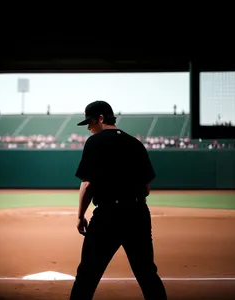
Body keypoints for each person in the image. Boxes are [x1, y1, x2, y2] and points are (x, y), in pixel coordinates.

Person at [69, 100, 167, 300]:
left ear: (102, 119)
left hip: (107, 217)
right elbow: (147, 189)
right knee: (147, 273)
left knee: (87, 274)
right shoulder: (136, 143)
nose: (88, 127)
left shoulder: (94, 143)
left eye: (90, 121)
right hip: (138, 214)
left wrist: (80, 216)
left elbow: (87, 185)